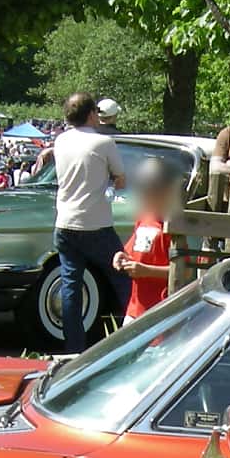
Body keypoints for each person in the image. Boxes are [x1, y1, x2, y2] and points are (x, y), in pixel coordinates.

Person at [50, 92, 129, 352]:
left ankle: (73, 348)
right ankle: (136, 335)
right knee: (125, 277)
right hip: (95, 224)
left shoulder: (60, 141)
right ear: (92, 114)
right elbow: (120, 178)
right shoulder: (103, 142)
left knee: (71, 284)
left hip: (65, 222)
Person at [113, 159, 176, 320]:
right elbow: (131, 251)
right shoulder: (143, 218)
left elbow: (183, 271)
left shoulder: (172, 226)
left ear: (166, 193)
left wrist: (146, 271)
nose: (147, 199)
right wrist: (121, 257)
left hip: (157, 311)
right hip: (134, 309)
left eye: (152, 194)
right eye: (144, 193)